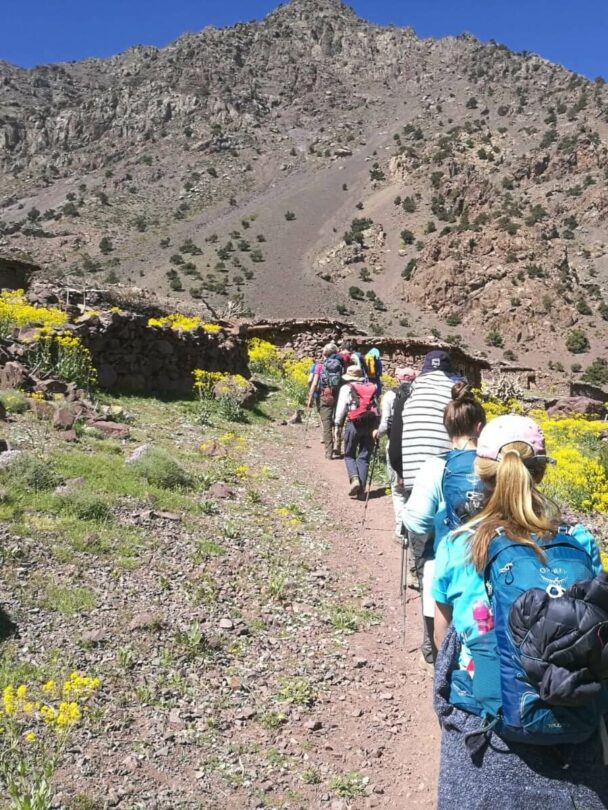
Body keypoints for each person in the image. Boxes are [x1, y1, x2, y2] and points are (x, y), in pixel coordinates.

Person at [432, 414, 608, 809]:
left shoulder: (457, 546)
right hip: (574, 739)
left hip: (485, 739)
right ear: (541, 473)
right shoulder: (580, 542)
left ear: (481, 473)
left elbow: (443, 641)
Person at [402, 383, 486, 665]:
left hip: (449, 562)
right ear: (479, 426)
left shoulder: (435, 467)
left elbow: (417, 519)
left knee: (445, 639)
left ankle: (440, 662)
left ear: (447, 427)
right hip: (493, 562)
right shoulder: (497, 466)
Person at [374, 367, 417, 539]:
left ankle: (401, 530)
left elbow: (385, 423)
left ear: (398, 378)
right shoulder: (419, 395)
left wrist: (378, 433)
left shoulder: (391, 396)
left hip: (395, 444)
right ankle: (415, 529)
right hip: (416, 447)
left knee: (398, 489)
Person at [334, 365, 379, 498]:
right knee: (364, 457)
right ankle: (361, 490)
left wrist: (338, 423)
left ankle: (354, 479)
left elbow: (341, 408)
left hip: (353, 424)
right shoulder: (371, 388)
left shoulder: (346, 388)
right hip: (370, 424)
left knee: (349, 454)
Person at [307, 343, 342, 459]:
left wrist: (310, 398)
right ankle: (339, 445)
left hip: (324, 396)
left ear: (324, 354)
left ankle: (328, 453)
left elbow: (314, 383)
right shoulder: (340, 366)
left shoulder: (320, 366)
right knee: (337, 421)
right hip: (337, 395)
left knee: (326, 424)